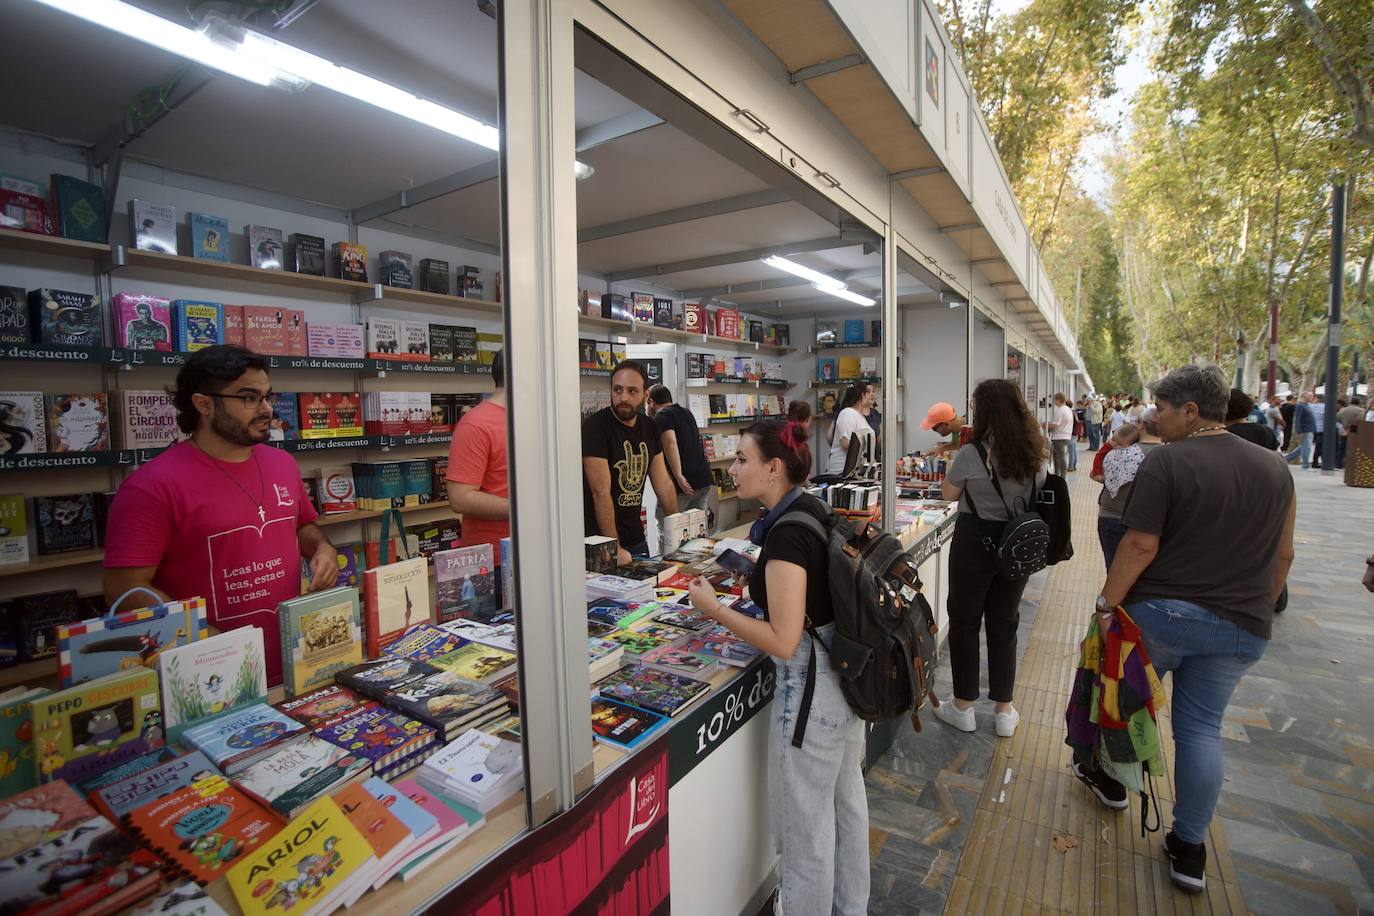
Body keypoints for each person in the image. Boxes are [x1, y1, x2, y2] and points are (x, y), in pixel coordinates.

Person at [1079, 364, 1295, 894]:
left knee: (1124, 700)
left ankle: (1112, 783)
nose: (1155, 416)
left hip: (1164, 615)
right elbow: (1283, 555)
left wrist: (1107, 604)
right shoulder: (1275, 468)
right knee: (1201, 731)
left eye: (1162, 407)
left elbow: (1139, 545)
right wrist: (1253, 610)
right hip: (1241, 627)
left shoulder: (1168, 463)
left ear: (1191, 411)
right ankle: (1189, 848)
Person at [685, 418, 868, 915]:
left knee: (804, 830)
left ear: (773, 467)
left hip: (813, 694)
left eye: (742, 459)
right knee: (846, 806)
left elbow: (784, 641)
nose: (732, 467)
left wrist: (715, 610)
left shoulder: (786, 535)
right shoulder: (809, 508)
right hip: (844, 682)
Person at [103, 345, 337, 686]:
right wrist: (211, 641)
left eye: (267, 396)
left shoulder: (282, 464)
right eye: (249, 398)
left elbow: (301, 524)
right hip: (207, 676)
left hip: (294, 663)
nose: (266, 409)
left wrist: (323, 549)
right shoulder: (151, 487)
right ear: (203, 404)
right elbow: (124, 591)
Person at [935, 379, 1048, 739]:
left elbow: (948, 493)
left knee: (965, 622)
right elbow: (1042, 489)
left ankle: (964, 706)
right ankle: (1004, 709)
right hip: (1017, 545)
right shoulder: (1035, 450)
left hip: (973, 543)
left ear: (983, 412)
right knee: (1005, 623)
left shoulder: (971, 453)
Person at [582, 360, 679, 563]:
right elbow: (600, 492)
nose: (623, 398)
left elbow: (663, 483)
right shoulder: (596, 428)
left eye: (632, 391)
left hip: (636, 539)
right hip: (601, 541)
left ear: (645, 395)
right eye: (617, 390)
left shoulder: (650, 427)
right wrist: (613, 547)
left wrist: (677, 530)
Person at [447, 349, 509, 553]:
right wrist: (525, 509)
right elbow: (460, 497)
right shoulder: (476, 424)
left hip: (536, 553)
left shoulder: (529, 418)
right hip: (494, 560)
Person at [646, 383, 719, 530]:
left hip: (683, 485)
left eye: (646, 405)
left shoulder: (662, 415)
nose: (646, 409)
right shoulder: (686, 412)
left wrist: (679, 476)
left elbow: (670, 443)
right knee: (696, 530)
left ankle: (669, 555)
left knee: (670, 530)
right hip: (702, 479)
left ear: (651, 402)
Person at [1095, 413, 1162, 569]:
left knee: (1114, 570)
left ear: (1140, 424)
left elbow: (1098, 475)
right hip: (1150, 525)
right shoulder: (1169, 455)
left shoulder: (1118, 454)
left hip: (1111, 517)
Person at [825, 382, 876, 474]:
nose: (870, 395)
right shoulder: (847, 413)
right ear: (862, 395)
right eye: (867, 393)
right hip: (843, 470)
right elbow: (845, 443)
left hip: (857, 470)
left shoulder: (859, 416)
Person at [1284, 392, 1317, 468]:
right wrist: (1299, 431)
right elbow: (1298, 419)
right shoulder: (1300, 406)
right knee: (1307, 447)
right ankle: (1305, 465)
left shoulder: (1307, 405)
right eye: (1310, 396)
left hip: (1309, 429)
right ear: (1305, 396)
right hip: (1305, 429)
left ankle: (1286, 459)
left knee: (1303, 447)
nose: (1312, 398)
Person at [1048, 392, 1074, 476]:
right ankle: (1060, 475)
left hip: (1058, 437)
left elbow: (1055, 425)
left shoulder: (1059, 410)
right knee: (1060, 457)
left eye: (1055, 399)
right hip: (1067, 436)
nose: (1054, 402)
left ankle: (1060, 475)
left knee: (1059, 458)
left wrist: (1044, 425)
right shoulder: (1068, 409)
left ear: (1058, 400)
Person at [1336, 395, 1363, 469]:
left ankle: (1338, 464)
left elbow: (1336, 420)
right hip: (1355, 432)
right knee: (1353, 448)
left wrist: (1343, 429)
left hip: (1343, 432)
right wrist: (1351, 430)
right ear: (1359, 403)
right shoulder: (1361, 411)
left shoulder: (1343, 410)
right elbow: (1358, 422)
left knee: (1342, 448)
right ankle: (1351, 464)